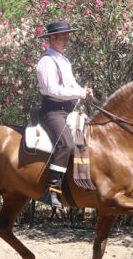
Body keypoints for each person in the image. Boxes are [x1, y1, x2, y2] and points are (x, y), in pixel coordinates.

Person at [35, 20, 93, 208]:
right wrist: (79, 93)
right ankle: (52, 190)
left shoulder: (64, 61)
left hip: (68, 110)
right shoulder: (46, 61)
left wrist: (84, 91)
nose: (67, 40)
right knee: (66, 144)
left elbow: (71, 85)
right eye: (64, 37)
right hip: (52, 112)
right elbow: (53, 90)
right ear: (52, 38)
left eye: (68, 36)